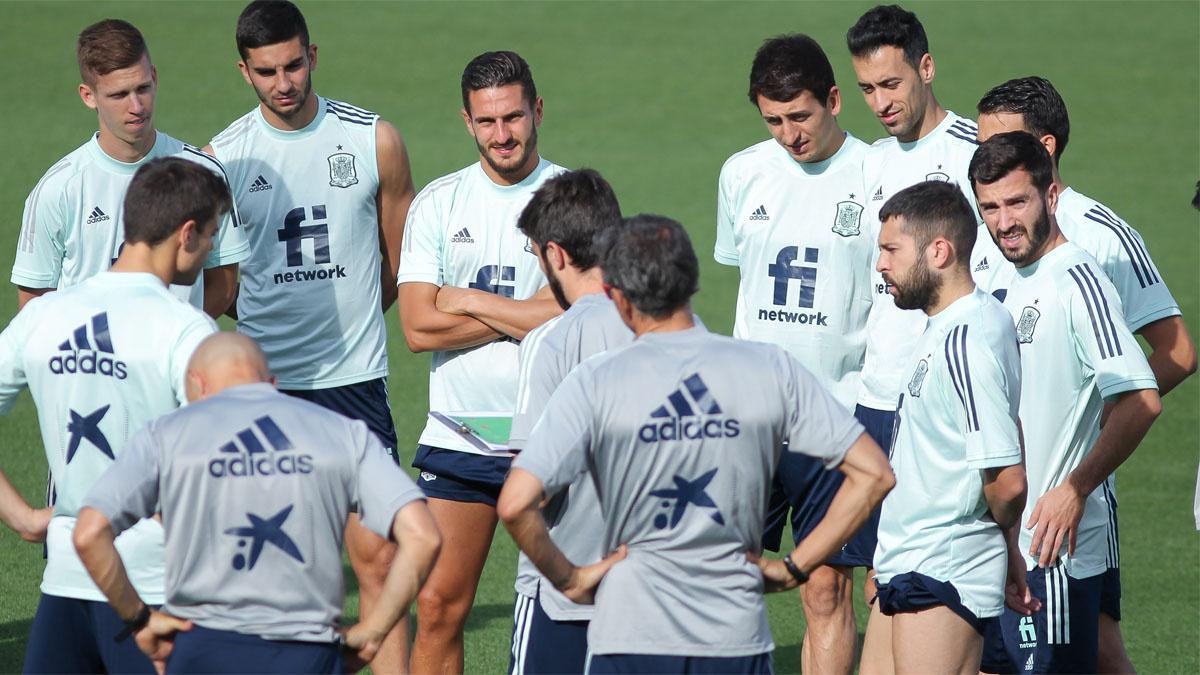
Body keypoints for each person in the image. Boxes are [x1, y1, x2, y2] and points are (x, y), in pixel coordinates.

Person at [498, 214, 895, 674]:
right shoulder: (770, 368)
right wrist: (794, 567)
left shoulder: (595, 381)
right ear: (692, 284)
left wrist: (571, 579)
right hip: (734, 637)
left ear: (617, 298)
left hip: (629, 634)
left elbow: (514, 504)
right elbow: (874, 474)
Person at [206, 1, 416, 669]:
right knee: (276, 565)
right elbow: (222, 286)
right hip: (264, 394)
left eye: (294, 64)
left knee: (380, 557)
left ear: (313, 54)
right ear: (245, 71)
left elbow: (402, 265)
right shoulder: (223, 157)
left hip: (354, 386)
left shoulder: (371, 138)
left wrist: (353, 323)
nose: (284, 82)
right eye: (267, 71)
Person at [976, 75, 1197, 674]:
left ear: (1045, 181)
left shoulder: (1086, 262)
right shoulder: (994, 258)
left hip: (1057, 530)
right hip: (999, 533)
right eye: (989, 204)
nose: (1002, 216)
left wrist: (1080, 471)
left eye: (1014, 199)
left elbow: (1161, 372)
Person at [72, 333, 442, 674]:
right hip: (308, 654)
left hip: (201, 649)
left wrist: (140, 619)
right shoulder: (343, 432)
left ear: (198, 385)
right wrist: (375, 630)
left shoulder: (165, 434)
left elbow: (89, 533)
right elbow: (423, 538)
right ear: (272, 385)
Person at [0, 157, 226, 672]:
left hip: (66, 579)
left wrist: (22, 517)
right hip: (156, 592)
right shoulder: (185, 331)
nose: (212, 248)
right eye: (211, 234)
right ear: (186, 234)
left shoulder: (43, 315)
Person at [396, 49, 563, 673]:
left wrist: (463, 300)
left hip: (551, 435)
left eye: (514, 117)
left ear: (537, 110)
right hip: (462, 432)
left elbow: (577, 311)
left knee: (564, 604)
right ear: (467, 121)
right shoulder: (439, 204)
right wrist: (522, 312)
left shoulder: (573, 197)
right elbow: (415, 327)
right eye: (488, 121)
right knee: (438, 605)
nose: (503, 135)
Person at [714, 33, 875, 674]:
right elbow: (744, 282)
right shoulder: (740, 171)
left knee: (826, 588)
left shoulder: (876, 175)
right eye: (774, 120)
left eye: (801, 116)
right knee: (726, 580)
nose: (789, 134)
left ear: (834, 99)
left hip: (835, 417)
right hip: (750, 416)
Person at [859, 180, 1032, 673]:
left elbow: (1007, 477)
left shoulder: (966, 342)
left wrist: (994, 542)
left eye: (891, 249)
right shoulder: (950, 327)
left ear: (939, 251)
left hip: (942, 565)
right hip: (908, 560)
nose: (880, 265)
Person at [12, 19, 248, 317]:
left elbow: (223, 284)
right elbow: (33, 307)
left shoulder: (202, 173)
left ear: (155, 77)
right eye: (119, 95)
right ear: (88, 96)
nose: (137, 106)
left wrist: (174, 344)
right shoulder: (58, 190)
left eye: (143, 88)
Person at [506, 169, 628, 674]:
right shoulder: (675, 324)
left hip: (567, 593)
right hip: (662, 592)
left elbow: (531, 493)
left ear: (554, 254)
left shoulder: (551, 340)